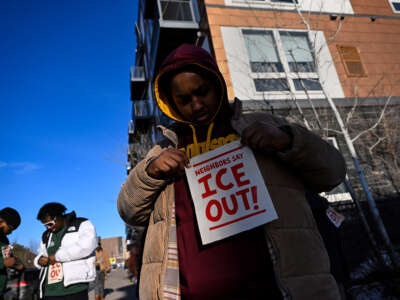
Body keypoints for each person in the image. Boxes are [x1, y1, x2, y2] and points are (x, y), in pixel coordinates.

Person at [117, 44, 347, 300]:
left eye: (201, 91)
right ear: (171, 103)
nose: (196, 104)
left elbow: (333, 172)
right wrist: (150, 173)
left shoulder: (263, 126)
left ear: (216, 83)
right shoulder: (163, 149)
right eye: (183, 100)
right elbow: (128, 210)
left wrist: (286, 140)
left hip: (280, 290)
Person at [34, 203, 97, 300]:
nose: (48, 228)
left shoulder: (81, 224)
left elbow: (87, 246)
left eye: (50, 224)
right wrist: (39, 260)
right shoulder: (46, 235)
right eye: (45, 226)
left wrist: (57, 257)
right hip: (50, 292)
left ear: (58, 216)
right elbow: (41, 253)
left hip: (75, 289)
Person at [0, 207, 23, 300]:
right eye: (10, 228)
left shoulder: (5, 240)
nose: (10, 232)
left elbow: (8, 257)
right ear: (1, 221)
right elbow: (4, 261)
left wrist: (17, 263)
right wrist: (3, 263)